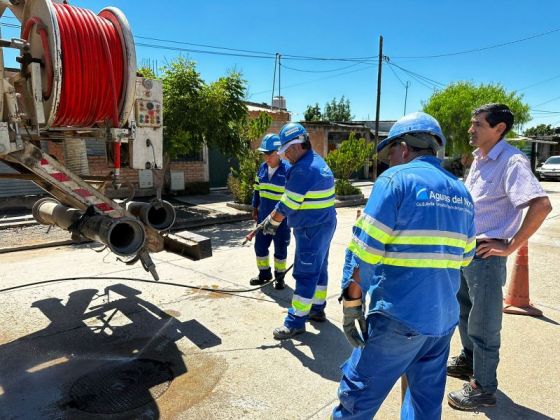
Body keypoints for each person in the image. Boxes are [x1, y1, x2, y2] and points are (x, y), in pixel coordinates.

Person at [332, 112, 476, 419]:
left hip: (399, 319)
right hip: (441, 322)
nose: (389, 161)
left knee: (356, 400)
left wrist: (352, 304)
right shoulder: (462, 193)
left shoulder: (395, 180)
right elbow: (465, 257)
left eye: (390, 153)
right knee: (424, 405)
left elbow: (365, 252)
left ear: (405, 147)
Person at [446, 103, 552, 411]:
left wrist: (509, 247)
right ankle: (469, 362)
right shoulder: (480, 159)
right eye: (472, 123)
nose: (470, 129)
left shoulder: (512, 161)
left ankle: (484, 388)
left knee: (484, 323)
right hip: (467, 253)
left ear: (499, 129)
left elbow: (541, 206)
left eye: (477, 124)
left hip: (487, 256)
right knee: (464, 313)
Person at [259, 122, 337, 340]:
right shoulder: (318, 161)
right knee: (320, 268)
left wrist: (272, 223)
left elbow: (287, 204)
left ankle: (295, 321)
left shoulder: (302, 169)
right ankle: (317, 308)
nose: (284, 157)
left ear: (295, 146)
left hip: (310, 229)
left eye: (285, 151)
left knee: (304, 272)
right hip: (325, 224)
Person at [249, 133, 291, 290]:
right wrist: (255, 208)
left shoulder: (288, 170)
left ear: (279, 152)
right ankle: (264, 274)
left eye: (269, 154)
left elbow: (293, 197)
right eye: (264, 154)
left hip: (282, 219)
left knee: (280, 249)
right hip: (263, 217)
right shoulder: (262, 169)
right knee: (260, 247)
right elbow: (256, 190)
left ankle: (279, 278)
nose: (266, 157)